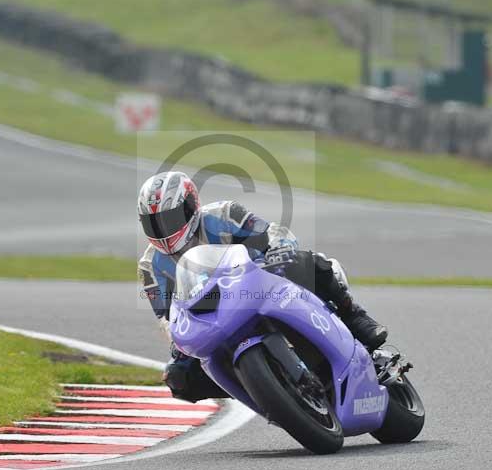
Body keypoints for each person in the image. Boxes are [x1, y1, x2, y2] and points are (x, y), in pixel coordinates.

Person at [138, 171, 388, 403]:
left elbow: (273, 233)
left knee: (305, 263)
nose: (164, 229)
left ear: (191, 205)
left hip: (260, 284)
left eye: (169, 219)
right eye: (154, 223)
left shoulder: (224, 214)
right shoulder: (150, 266)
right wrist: (179, 341)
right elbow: (167, 317)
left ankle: (353, 315)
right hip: (212, 315)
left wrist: (279, 249)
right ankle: (260, 389)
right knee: (179, 378)